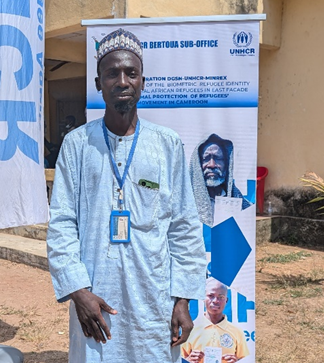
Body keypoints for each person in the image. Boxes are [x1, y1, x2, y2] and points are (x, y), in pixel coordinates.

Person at [46, 28, 207, 363]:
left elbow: (185, 226)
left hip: (154, 298)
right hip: (95, 298)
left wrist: (182, 299)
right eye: (112, 73)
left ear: (142, 82)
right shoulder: (77, 145)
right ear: (98, 84)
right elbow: (62, 222)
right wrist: (78, 291)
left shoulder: (167, 144)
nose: (122, 81)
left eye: (131, 73)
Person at [182, 278, 250, 363]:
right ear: (203, 298)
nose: (215, 301)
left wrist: (236, 361)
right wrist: (188, 360)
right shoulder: (191, 329)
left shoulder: (236, 331)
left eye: (221, 297)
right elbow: (180, 358)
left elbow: (244, 360)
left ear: (226, 300)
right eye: (211, 296)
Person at [189, 134, 252, 227]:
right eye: (206, 159)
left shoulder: (238, 199)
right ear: (198, 163)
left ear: (227, 164)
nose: (212, 165)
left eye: (218, 158)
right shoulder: (186, 201)